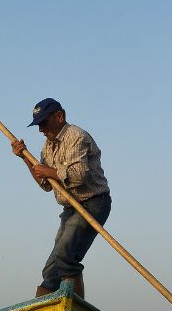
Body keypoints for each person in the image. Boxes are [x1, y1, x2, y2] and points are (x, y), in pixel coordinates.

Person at [10, 98, 111, 299]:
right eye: (38, 125)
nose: (41, 130)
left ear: (59, 116)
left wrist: (50, 171)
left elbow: (79, 175)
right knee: (51, 271)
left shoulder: (75, 136)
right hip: (70, 208)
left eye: (44, 123)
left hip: (93, 203)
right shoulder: (48, 147)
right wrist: (26, 159)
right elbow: (46, 184)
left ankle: (75, 309)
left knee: (66, 256)